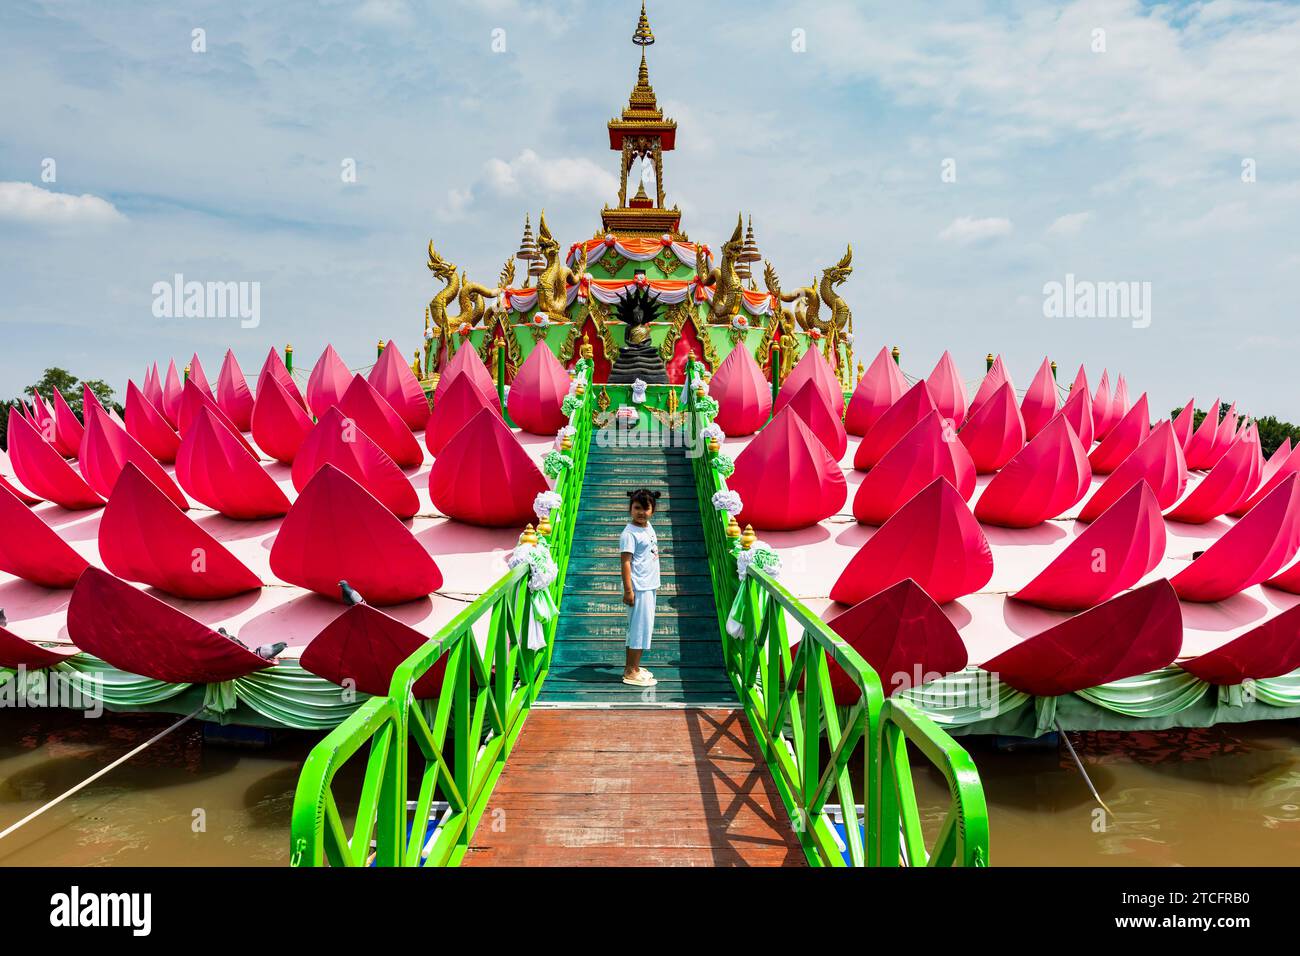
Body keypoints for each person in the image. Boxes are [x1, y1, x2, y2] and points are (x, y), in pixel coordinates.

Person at [620, 487, 662, 687]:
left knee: (642, 629)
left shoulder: (647, 526)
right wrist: (629, 591)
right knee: (638, 630)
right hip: (638, 588)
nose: (641, 512)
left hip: (649, 585)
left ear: (652, 510)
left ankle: (634, 666)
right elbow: (626, 562)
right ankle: (630, 671)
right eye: (637, 508)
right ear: (630, 508)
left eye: (646, 509)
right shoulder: (629, 533)